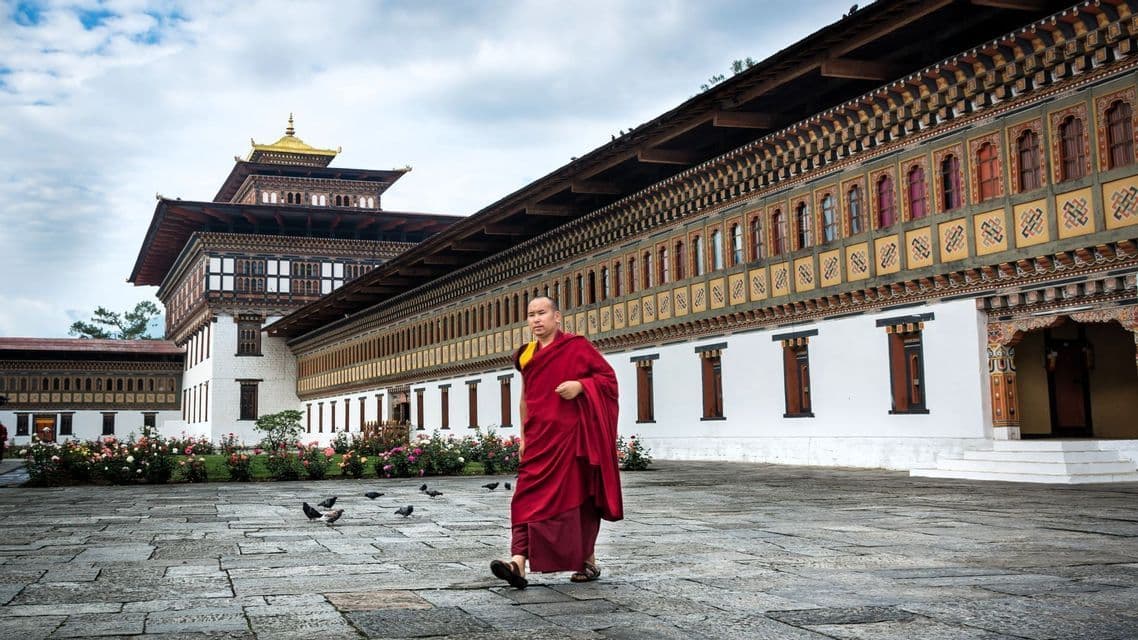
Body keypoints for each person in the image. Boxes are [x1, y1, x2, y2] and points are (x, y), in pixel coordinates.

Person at [490, 296, 623, 589]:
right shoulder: (525, 355)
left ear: (557, 316)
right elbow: (526, 398)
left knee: (578, 500)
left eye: (542, 313)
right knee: (524, 498)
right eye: (531, 315)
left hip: (572, 439)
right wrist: (524, 435)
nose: (536, 319)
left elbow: (608, 380)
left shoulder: (576, 347)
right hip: (539, 439)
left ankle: (587, 561)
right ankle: (518, 562)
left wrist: (581, 386)